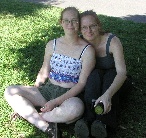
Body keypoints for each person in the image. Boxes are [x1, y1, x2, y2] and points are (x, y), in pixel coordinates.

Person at [4, 7, 95, 138]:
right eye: (66, 21)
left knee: (76, 109)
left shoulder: (87, 50)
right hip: (47, 90)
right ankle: (48, 127)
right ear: (61, 22)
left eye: (74, 21)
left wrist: (56, 102)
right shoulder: (52, 44)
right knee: (10, 91)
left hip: (69, 95)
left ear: (79, 23)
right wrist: (35, 91)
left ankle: (34, 116)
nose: (70, 24)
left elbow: (81, 84)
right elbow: (44, 71)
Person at [74, 10, 131, 138]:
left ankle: (103, 124)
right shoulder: (80, 43)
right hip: (95, 82)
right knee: (94, 75)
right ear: (80, 30)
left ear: (98, 25)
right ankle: (88, 120)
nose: (89, 30)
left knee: (110, 75)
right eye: (84, 27)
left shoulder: (112, 41)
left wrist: (107, 95)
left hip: (116, 81)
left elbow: (122, 73)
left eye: (92, 26)